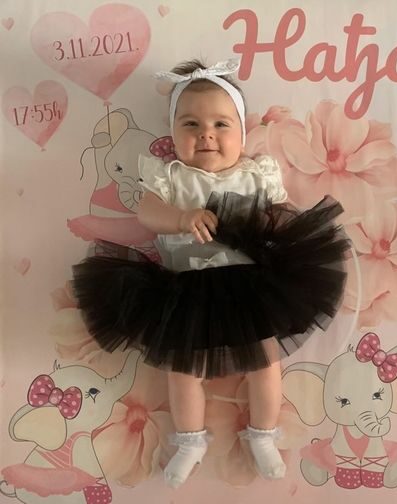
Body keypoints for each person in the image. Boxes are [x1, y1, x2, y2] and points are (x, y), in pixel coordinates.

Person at [72, 58, 348, 488]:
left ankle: (263, 433)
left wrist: (280, 227)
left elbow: (280, 214)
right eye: (191, 124)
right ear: (173, 133)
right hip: (184, 292)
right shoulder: (170, 177)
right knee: (183, 370)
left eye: (221, 124)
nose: (206, 134)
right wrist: (182, 218)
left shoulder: (255, 174)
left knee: (266, 363)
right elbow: (148, 213)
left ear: (242, 133)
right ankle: (190, 440)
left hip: (249, 289)